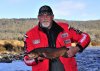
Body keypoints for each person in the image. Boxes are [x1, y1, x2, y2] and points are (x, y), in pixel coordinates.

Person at [24, 5, 90, 71]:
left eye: (48, 15)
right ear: (38, 17)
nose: (45, 18)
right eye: (42, 15)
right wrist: (36, 59)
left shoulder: (65, 28)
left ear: (52, 16)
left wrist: (76, 48)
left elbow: (85, 37)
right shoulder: (29, 35)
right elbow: (26, 60)